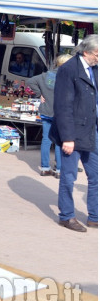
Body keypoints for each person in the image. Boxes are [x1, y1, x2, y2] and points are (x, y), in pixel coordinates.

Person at [50, 35, 98, 232]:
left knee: (95, 176)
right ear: (86, 52)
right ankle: (67, 216)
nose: (99, 57)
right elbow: (63, 106)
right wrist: (68, 138)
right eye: (97, 54)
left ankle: (94, 216)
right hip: (72, 133)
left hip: (90, 131)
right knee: (69, 177)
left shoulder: (94, 68)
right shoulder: (68, 69)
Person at [27, 54, 72, 177]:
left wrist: (39, 94)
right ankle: (58, 170)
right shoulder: (68, 77)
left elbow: (30, 81)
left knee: (46, 139)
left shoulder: (45, 75)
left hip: (46, 111)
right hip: (60, 113)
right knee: (58, 141)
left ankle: (45, 168)